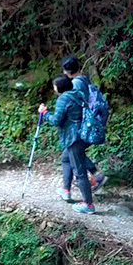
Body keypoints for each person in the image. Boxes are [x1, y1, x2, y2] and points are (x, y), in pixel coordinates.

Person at [39, 74, 97, 215]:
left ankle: (88, 205)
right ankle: (66, 190)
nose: (54, 88)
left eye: (54, 86)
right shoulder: (78, 93)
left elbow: (56, 120)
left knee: (80, 172)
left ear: (59, 87)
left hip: (73, 138)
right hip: (83, 134)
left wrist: (44, 113)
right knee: (66, 159)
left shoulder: (63, 99)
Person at [60, 55, 108, 194]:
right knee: (69, 156)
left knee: (72, 155)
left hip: (80, 126)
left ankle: (90, 183)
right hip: (87, 123)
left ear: (67, 71)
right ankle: (67, 188)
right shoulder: (84, 79)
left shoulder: (76, 84)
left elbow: (76, 105)